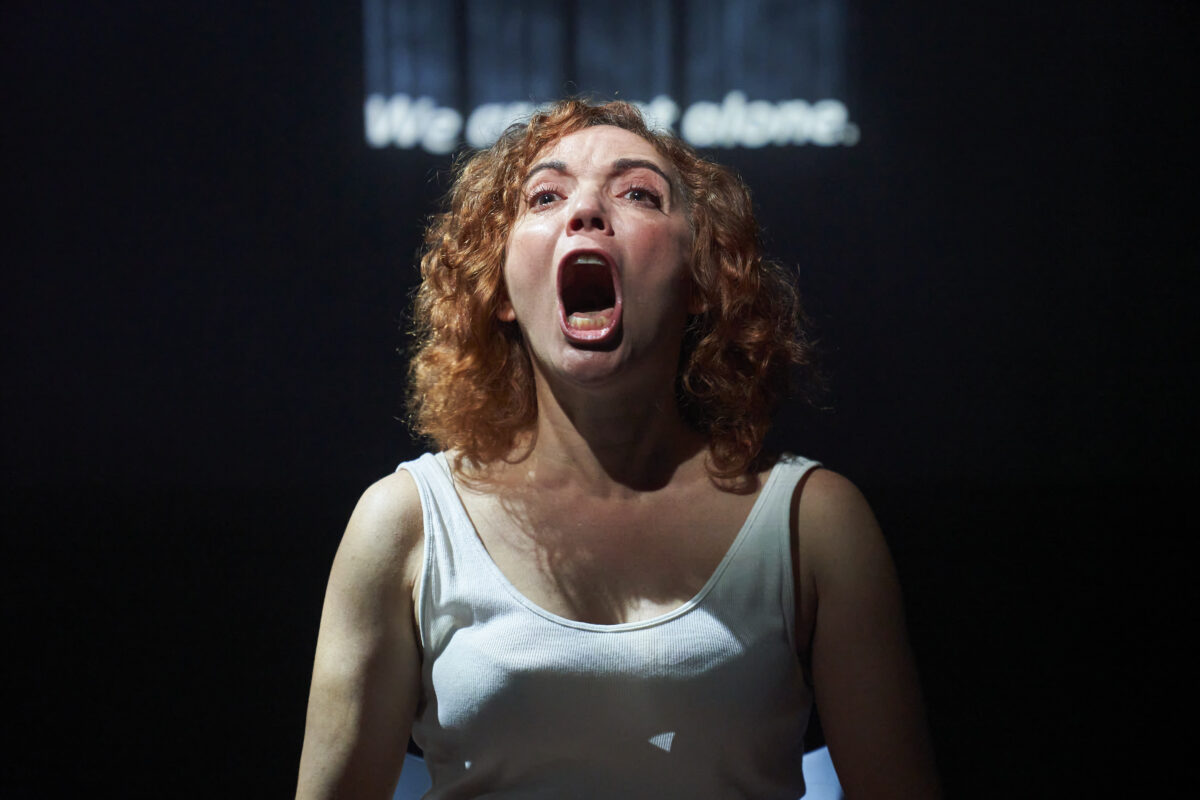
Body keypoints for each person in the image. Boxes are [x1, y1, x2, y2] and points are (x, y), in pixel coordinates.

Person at [296, 99, 940, 799]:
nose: (586, 211)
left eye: (638, 194)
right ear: (500, 287)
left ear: (701, 279)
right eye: (546, 196)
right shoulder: (407, 524)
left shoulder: (813, 525)